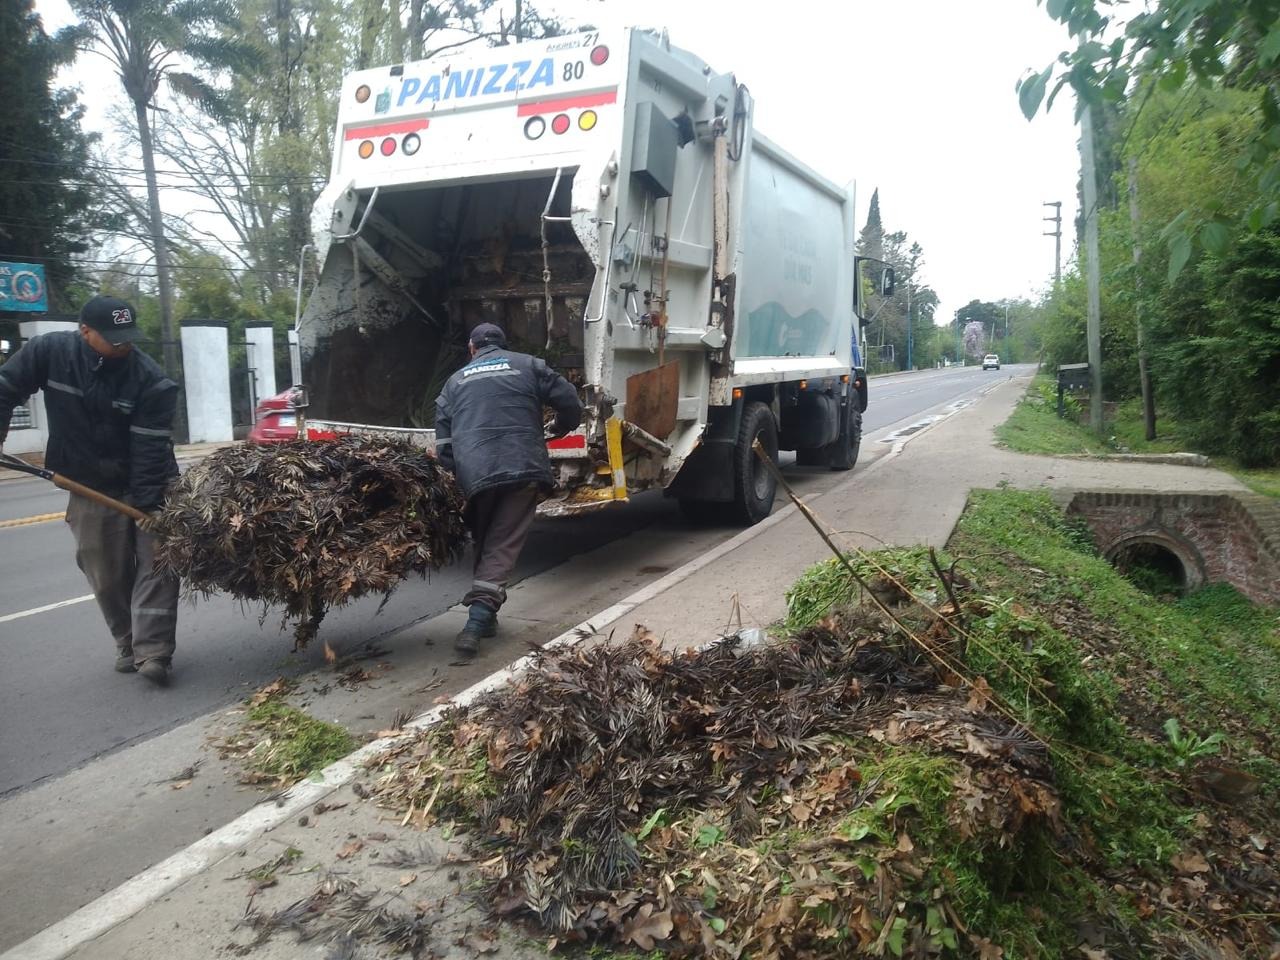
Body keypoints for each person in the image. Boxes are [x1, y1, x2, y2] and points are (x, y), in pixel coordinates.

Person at [0, 295, 181, 685]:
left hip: (151, 477)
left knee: (159, 562)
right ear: (85, 332)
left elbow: (149, 448)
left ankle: (154, 652)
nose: (124, 344)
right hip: (87, 482)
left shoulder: (150, 380)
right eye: (114, 338)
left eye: (128, 336)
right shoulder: (50, 352)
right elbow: (5, 387)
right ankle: (128, 642)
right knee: (104, 569)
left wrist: (149, 505)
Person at [434, 322, 582, 657]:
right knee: (501, 544)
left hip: (475, 473)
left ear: (472, 348)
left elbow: (443, 444)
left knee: (487, 540)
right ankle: (476, 622)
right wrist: (561, 426)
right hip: (522, 466)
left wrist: (456, 472)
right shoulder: (528, 365)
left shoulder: (454, 382)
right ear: (503, 345)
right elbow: (570, 401)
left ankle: (485, 618)